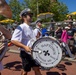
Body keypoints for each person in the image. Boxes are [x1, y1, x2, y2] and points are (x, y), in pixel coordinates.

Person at [11, 8, 42, 75]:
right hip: (25, 53)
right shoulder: (21, 27)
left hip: (33, 52)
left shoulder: (30, 28)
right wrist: (24, 47)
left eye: (31, 15)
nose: (31, 17)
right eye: (30, 15)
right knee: (25, 71)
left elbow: (31, 40)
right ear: (24, 17)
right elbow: (13, 40)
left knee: (37, 69)